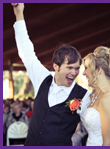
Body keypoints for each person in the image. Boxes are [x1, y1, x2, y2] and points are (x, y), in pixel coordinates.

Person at [11, 3, 90, 146]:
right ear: (56, 66)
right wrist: (19, 13)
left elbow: (92, 126)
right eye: (70, 67)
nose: (74, 72)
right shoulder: (42, 78)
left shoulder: (82, 96)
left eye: (77, 68)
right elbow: (26, 52)